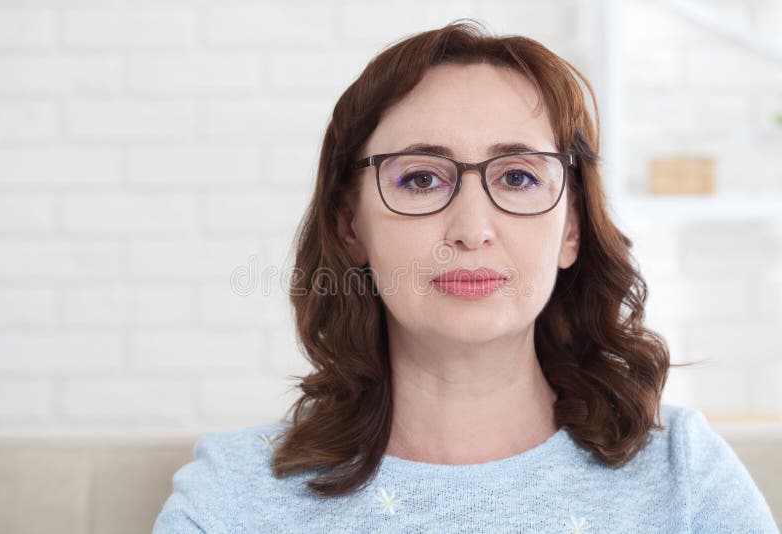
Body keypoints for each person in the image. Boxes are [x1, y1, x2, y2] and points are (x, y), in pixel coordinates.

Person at [153, 20, 779, 533]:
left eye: (517, 177)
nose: (472, 229)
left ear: (571, 230)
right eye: (421, 178)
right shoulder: (233, 495)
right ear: (351, 227)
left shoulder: (684, 477)